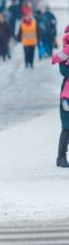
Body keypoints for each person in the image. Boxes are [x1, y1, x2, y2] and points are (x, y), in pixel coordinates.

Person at [52, 26, 69, 167]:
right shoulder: (65, 52)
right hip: (67, 95)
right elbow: (63, 70)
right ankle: (61, 157)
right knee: (67, 126)